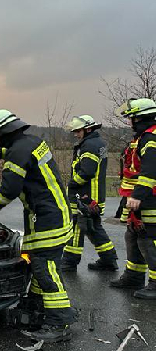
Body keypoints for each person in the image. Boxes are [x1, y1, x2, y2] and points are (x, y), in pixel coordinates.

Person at [0, 109, 74, 342]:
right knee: (39, 266)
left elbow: (8, 191)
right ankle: (37, 308)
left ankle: (59, 323)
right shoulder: (31, 142)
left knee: (45, 269)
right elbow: (9, 152)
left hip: (47, 219)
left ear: (2, 132)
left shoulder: (18, 152)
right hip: (55, 213)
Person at [109, 98, 156, 299]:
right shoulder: (143, 137)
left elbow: (150, 170)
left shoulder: (151, 138)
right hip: (140, 197)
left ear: (140, 118)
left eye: (132, 118)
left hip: (150, 198)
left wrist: (137, 195)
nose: (129, 122)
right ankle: (134, 276)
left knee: (149, 239)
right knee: (133, 235)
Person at [61, 115, 117, 274]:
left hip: (85, 196)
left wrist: (72, 184)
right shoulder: (97, 143)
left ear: (88, 129)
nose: (75, 134)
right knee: (94, 228)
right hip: (94, 196)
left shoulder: (89, 146)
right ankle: (109, 260)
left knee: (77, 228)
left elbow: (87, 172)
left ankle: (69, 262)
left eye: (78, 131)